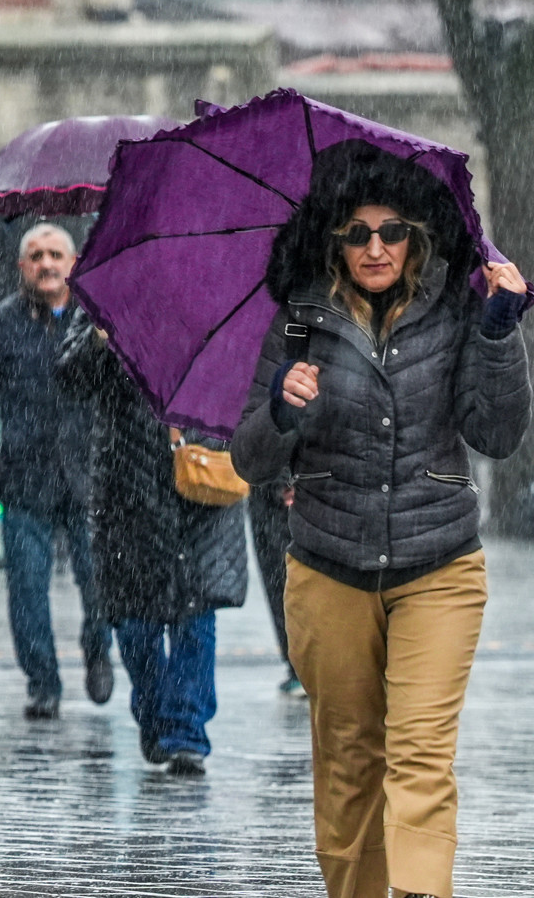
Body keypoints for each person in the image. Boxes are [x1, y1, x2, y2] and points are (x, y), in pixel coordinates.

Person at [233, 140, 531, 898]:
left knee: (421, 753)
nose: (375, 247)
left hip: (439, 566)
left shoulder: (457, 312)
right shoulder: (300, 320)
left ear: (417, 236)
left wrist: (500, 336)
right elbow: (251, 460)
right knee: (348, 763)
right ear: (335, 240)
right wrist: (280, 409)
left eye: (391, 230)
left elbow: (494, 435)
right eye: (358, 233)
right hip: (328, 565)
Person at [56, 314, 249, 776]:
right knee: (135, 623)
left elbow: (251, 384)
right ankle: (154, 714)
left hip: (201, 478)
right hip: (127, 490)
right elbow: (71, 379)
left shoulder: (220, 300)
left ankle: (186, 735)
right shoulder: (108, 298)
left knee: (194, 614)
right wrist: (103, 336)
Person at [0, 223, 112, 720]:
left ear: (74, 263)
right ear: (22, 267)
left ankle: (98, 647)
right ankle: (43, 682)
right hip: (25, 474)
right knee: (26, 589)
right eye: (36, 256)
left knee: (99, 583)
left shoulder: (97, 320)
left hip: (89, 474)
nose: (46, 264)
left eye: (55, 254)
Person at [249, 475, 303, 697]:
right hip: (275, 492)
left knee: (286, 586)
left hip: (282, 493)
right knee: (284, 585)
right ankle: (299, 667)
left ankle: (300, 668)